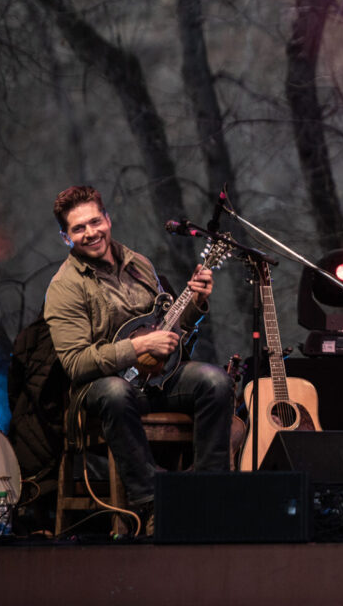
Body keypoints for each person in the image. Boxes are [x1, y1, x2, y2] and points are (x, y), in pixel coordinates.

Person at [44, 186, 232, 534]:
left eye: (95, 222)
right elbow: (76, 363)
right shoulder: (64, 286)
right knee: (116, 392)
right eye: (78, 228)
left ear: (108, 219)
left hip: (155, 380)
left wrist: (195, 304)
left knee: (216, 382)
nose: (90, 233)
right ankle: (152, 503)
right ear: (65, 237)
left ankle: (210, 492)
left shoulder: (139, 264)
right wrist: (137, 347)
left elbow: (171, 329)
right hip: (100, 392)